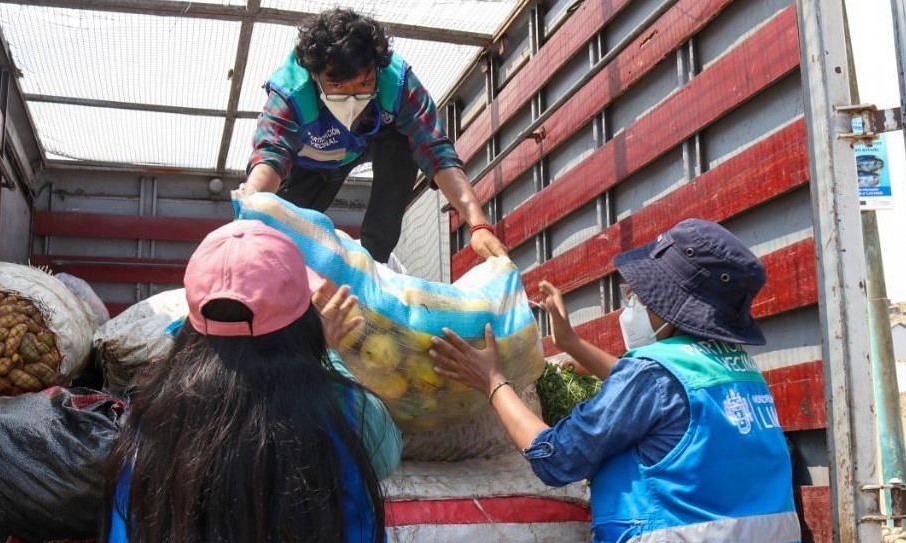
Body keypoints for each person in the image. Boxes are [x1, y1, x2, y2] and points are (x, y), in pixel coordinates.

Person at [429, 218, 801, 542]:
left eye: (641, 297)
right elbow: (662, 398)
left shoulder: (654, 375)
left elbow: (556, 457)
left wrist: (492, 381)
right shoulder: (740, 371)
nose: (633, 303)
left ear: (674, 309)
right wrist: (571, 343)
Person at [102, 220, 402, 542]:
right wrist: (329, 357)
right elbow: (386, 453)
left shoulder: (152, 417)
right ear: (303, 323)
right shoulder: (342, 406)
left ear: (192, 324)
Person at [241, 7, 506, 264]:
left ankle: (375, 259)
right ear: (314, 74)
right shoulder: (290, 93)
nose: (352, 98)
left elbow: (436, 149)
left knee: (407, 142)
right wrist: (248, 215)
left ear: (377, 70)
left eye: (364, 84)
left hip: (371, 141)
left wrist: (478, 224)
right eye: (336, 85)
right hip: (312, 165)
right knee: (275, 232)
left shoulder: (398, 82)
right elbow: (270, 156)